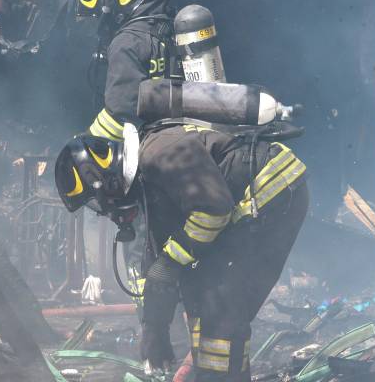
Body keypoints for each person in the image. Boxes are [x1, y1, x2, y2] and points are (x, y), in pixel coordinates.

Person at [54, 123, 308, 381]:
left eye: (95, 202)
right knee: (199, 291)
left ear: (107, 182)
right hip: (245, 206)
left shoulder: (160, 153)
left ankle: (218, 376)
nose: (103, 212)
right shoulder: (146, 186)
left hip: (272, 189)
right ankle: (211, 372)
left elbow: (213, 210)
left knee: (220, 303)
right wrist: (155, 327)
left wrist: (169, 264)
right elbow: (156, 265)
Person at [75, 0, 179, 140]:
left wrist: (87, 140)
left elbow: (120, 116)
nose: (98, 30)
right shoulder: (165, 23)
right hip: (187, 134)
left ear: (108, 5)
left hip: (158, 142)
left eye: (96, 20)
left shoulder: (126, 43)